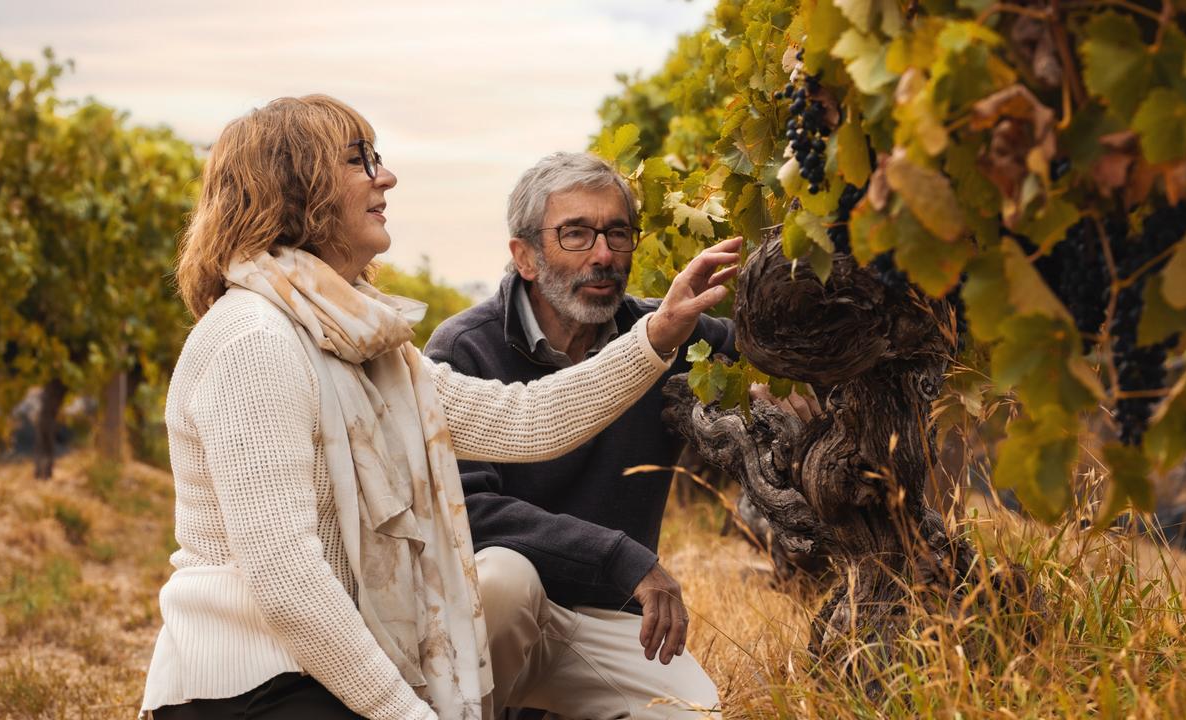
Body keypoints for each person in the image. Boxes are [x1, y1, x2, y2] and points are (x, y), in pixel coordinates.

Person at [138, 96, 741, 720]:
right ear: (298, 189)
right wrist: (408, 713)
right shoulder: (254, 341)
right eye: (359, 160)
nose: (386, 176)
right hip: (249, 687)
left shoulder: (361, 341)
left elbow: (524, 420)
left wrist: (659, 334)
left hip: (326, 676)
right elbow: (287, 582)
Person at [424, 152, 737, 719]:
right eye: (576, 234)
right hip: (502, 614)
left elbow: (765, 361)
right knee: (503, 577)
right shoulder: (463, 348)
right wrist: (621, 558)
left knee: (696, 716)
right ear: (524, 255)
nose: (602, 255)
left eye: (617, 233)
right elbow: (463, 509)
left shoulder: (668, 330)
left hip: (611, 619)